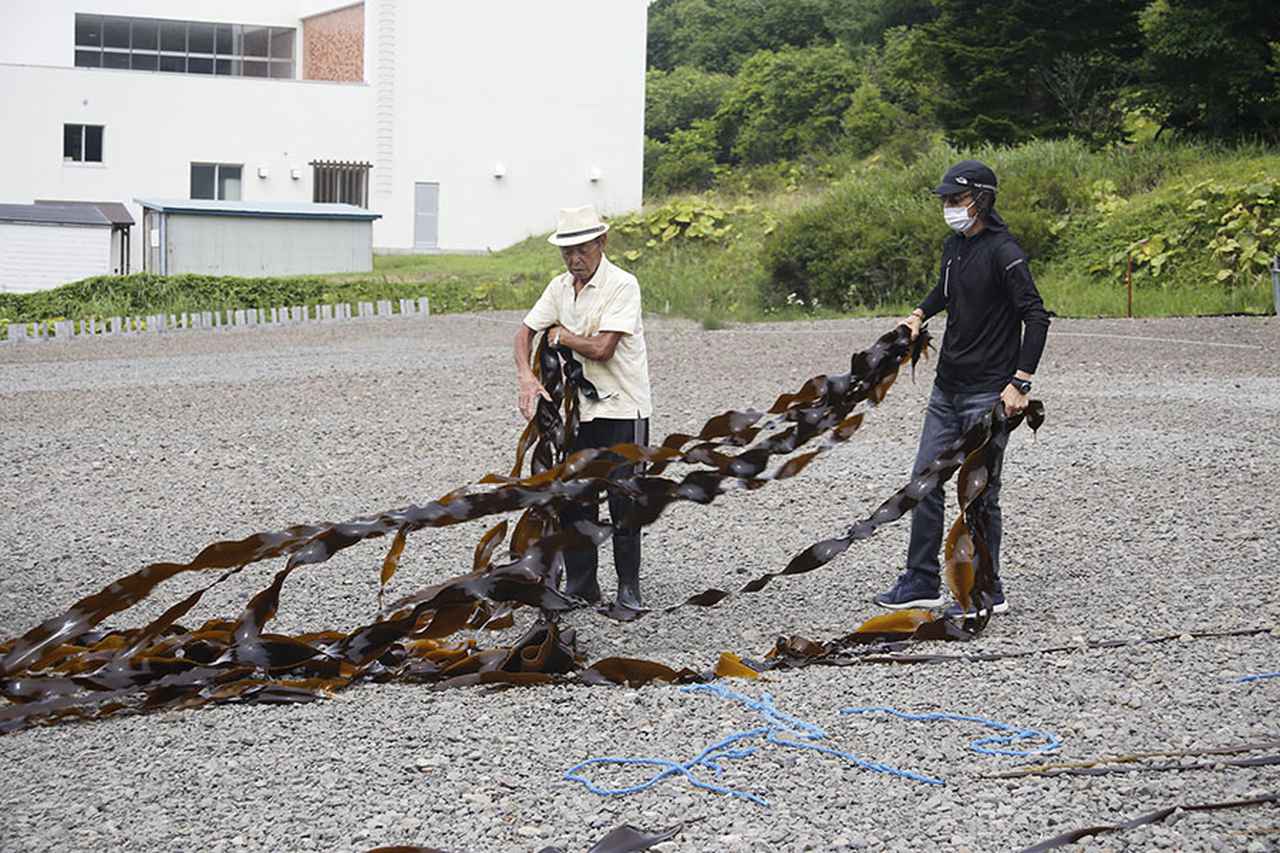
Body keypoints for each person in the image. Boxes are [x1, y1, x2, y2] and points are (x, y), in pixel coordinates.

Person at [874, 160, 1050, 618]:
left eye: (957, 199)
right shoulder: (953, 246)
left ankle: (986, 590)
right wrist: (919, 314)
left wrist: (1020, 382)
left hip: (988, 393)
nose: (949, 206)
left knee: (978, 494)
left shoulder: (1005, 252)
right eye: (946, 200)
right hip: (946, 389)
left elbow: (1035, 316)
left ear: (982, 200)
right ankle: (921, 580)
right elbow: (945, 290)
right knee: (924, 482)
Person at [514, 205, 653, 609]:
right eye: (567, 251)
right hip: (581, 413)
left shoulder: (623, 285)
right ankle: (583, 585)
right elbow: (524, 332)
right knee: (575, 499)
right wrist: (526, 377)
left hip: (624, 409)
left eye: (583, 249)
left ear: (601, 242)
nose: (575, 259)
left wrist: (562, 337)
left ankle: (629, 590)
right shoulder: (559, 288)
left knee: (625, 500)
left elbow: (603, 348)